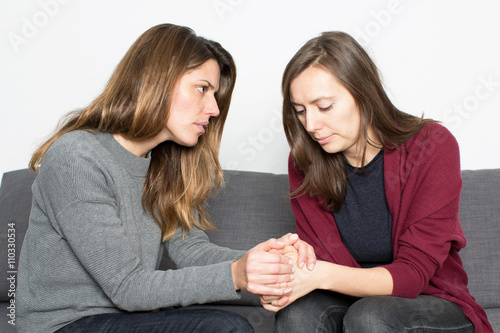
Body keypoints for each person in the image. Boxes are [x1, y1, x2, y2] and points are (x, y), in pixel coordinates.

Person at [16, 23, 315, 333]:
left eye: (215, 95)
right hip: (63, 326)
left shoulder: (165, 164)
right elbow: (128, 286)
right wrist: (235, 275)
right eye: (202, 88)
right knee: (225, 328)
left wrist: (266, 260)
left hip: (129, 321)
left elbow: (193, 252)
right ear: (157, 80)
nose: (213, 109)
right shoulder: (77, 157)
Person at [260, 31, 493, 332]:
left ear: (363, 93)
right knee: (296, 314)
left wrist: (316, 274)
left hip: (431, 300)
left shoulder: (432, 146)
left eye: (325, 106)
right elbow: (317, 255)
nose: (311, 126)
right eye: (300, 111)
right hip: (347, 297)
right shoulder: (305, 160)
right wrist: (290, 265)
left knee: (370, 315)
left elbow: (412, 275)